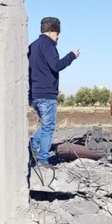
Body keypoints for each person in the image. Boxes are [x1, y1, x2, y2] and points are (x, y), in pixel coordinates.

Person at [28, 17, 80, 167]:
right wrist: (71, 56)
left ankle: (32, 146)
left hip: (34, 94)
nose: (58, 37)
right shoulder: (48, 45)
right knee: (49, 126)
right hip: (46, 93)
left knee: (46, 125)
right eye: (57, 34)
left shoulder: (32, 46)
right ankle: (43, 159)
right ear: (52, 32)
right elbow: (56, 65)